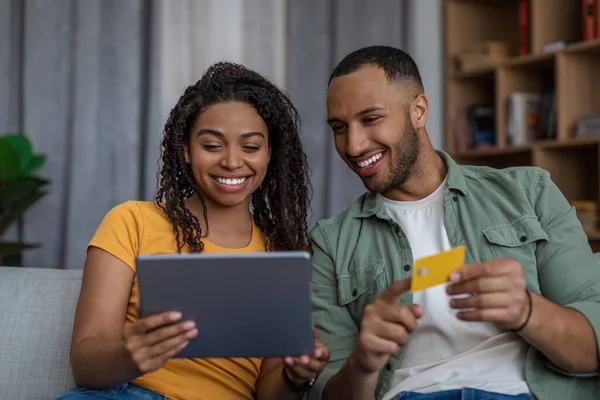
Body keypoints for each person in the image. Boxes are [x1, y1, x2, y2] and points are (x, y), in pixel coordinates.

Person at [306, 45, 600, 400]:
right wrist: (364, 362)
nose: (352, 145)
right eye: (339, 127)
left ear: (418, 111)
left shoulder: (529, 193)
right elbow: (329, 393)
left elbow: (591, 351)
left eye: (370, 119)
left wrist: (527, 311)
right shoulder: (331, 244)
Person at [56, 61, 329, 400]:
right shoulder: (132, 221)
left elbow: (269, 394)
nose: (231, 161)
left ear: (269, 154)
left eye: (250, 146)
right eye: (212, 145)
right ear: (185, 150)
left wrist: (294, 376)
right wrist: (130, 355)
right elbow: (85, 360)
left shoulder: (284, 253)